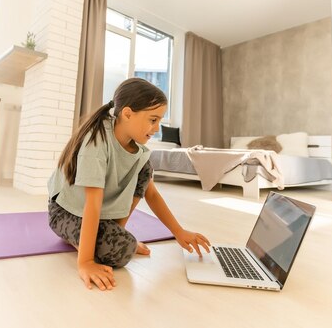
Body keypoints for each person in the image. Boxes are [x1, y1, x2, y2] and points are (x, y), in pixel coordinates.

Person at [48, 77, 211, 291]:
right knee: (122, 251)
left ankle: (113, 233)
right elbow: (93, 203)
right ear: (127, 114)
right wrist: (85, 262)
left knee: (146, 170)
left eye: (159, 121)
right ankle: (87, 244)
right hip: (65, 212)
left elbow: (151, 194)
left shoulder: (139, 153)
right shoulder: (96, 141)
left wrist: (179, 232)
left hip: (98, 216)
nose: (157, 128)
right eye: (153, 120)